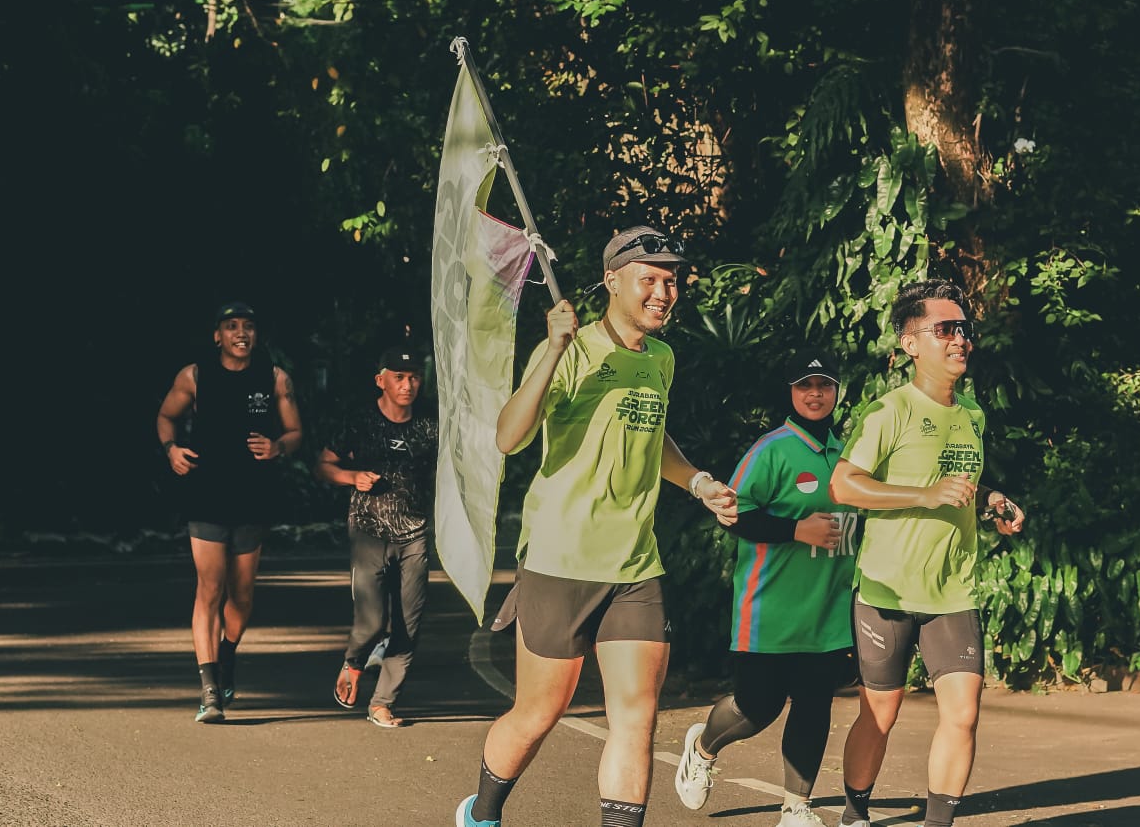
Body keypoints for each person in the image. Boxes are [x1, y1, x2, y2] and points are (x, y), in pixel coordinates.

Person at [455, 226, 740, 827]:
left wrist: (696, 481)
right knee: (539, 712)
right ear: (612, 281)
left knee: (636, 717)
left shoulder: (660, 358)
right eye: (649, 279)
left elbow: (651, 433)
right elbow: (509, 436)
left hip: (635, 564)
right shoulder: (573, 350)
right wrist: (554, 349)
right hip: (561, 560)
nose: (663, 291)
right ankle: (482, 812)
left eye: (671, 280)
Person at [827, 279, 1025, 827]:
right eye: (945, 329)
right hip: (887, 590)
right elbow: (843, 486)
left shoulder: (973, 415)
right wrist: (924, 495)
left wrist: (992, 501)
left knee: (963, 715)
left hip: (953, 591)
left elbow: (959, 487)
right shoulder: (888, 411)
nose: (960, 339)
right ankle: (854, 813)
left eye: (964, 328)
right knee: (880, 714)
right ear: (911, 343)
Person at [674, 350, 859, 827]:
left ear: (837, 391)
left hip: (827, 612)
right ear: (790, 392)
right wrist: (798, 530)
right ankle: (702, 747)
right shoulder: (771, 449)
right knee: (758, 707)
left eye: (824, 385)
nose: (815, 394)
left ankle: (796, 808)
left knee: (814, 707)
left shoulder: (850, 456)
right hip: (769, 611)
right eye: (804, 386)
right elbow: (733, 514)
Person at [156, 301, 303, 724]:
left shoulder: (274, 378)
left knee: (241, 595)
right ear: (217, 336)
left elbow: (295, 432)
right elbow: (165, 416)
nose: (241, 333)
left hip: (252, 496)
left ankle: (227, 653)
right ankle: (209, 690)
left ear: (256, 334)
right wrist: (171, 449)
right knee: (210, 588)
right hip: (206, 494)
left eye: (249, 326)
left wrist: (277, 446)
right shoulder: (195, 375)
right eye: (232, 326)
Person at [317, 344, 438, 728]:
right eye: (399, 377)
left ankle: (383, 702)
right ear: (380, 380)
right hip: (368, 530)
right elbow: (324, 464)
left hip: (414, 534)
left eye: (414, 377)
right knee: (371, 622)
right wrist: (351, 476)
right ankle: (354, 662)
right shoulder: (360, 420)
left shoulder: (430, 424)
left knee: (408, 624)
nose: (408, 385)